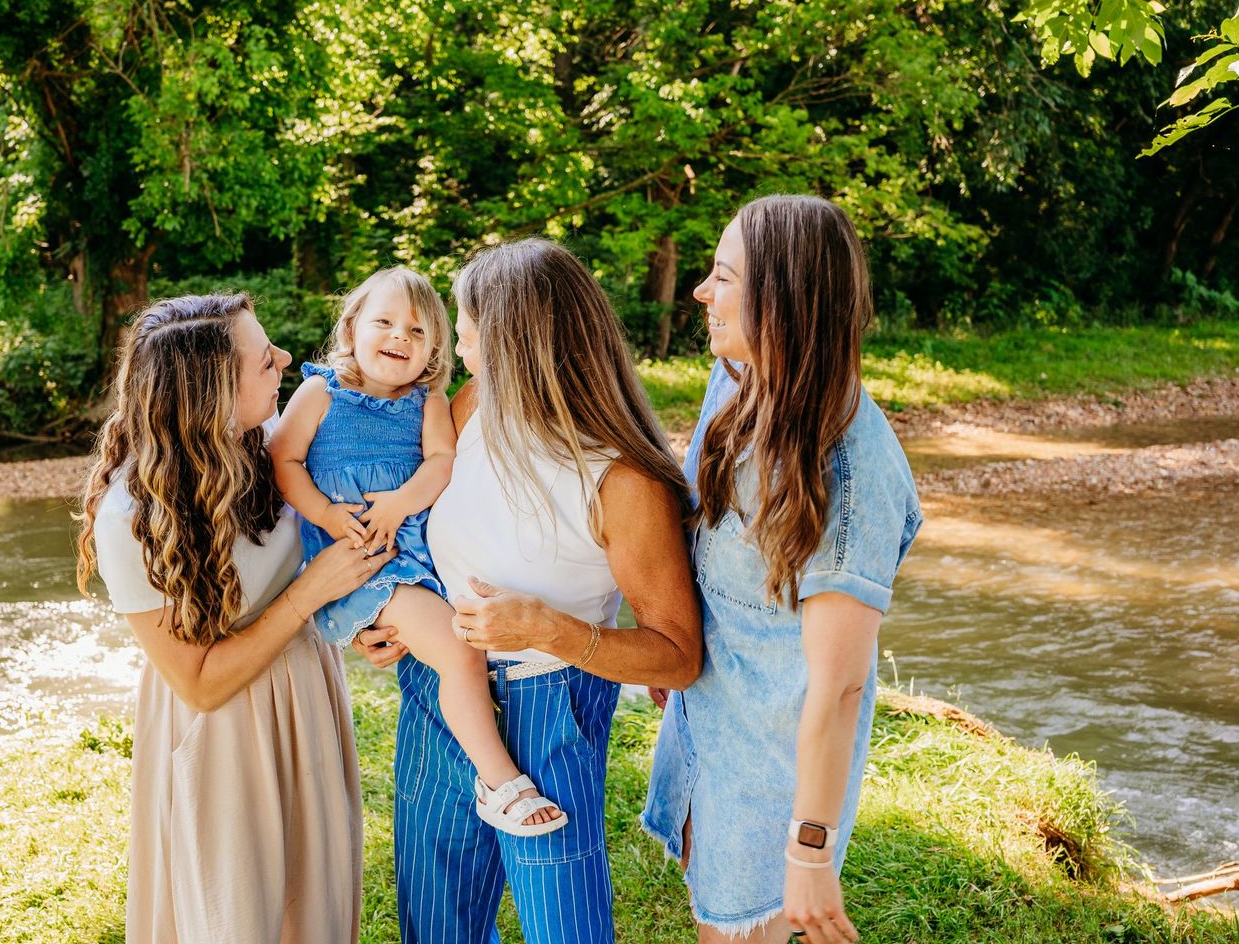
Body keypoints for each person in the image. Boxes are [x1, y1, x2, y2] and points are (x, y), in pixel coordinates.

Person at [354, 238, 704, 944]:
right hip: (438, 692)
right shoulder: (472, 406)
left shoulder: (623, 480)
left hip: (552, 706)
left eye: (473, 335)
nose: (464, 350)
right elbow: (426, 535)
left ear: (522, 344)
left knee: (563, 927)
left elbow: (678, 656)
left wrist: (548, 629)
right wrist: (392, 618)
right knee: (435, 922)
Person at [640, 195, 923, 944]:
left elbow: (839, 688)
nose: (702, 292)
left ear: (781, 301)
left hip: (773, 778)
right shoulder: (735, 375)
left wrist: (809, 849)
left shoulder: (853, 474)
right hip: (707, 724)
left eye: (723, 277)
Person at [75, 293, 397, 944]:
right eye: (262, 360)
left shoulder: (281, 454)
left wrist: (359, 620)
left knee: (314, 910)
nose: (284, 359)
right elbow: (199, 682)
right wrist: (311, 593)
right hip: (219, 736)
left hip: (307, 700)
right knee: (234, 918)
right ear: (210, 394)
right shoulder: (130, 519)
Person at [272, 266, 565, 835]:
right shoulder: (320, 391)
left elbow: (441, 463)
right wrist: (329, 515)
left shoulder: (427, 399)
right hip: (362, 562)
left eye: (418, 330)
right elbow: (282, 462)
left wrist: (400, 501)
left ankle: (476, 734)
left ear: (436, 347)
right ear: (352, 327)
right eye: (384, 322)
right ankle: (501, 783)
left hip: (413, 552)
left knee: (463, 646)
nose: (399, 337)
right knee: (460, 653)